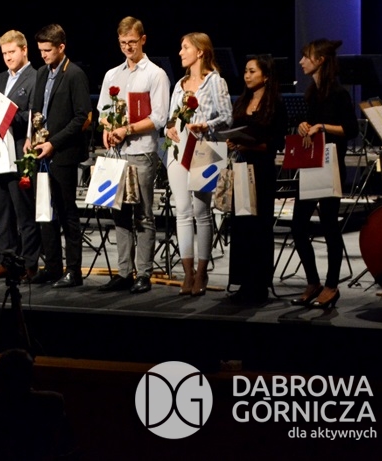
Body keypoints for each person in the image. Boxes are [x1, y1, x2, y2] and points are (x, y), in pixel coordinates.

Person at [95, 17, 170, 294]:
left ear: (143, 40)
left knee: (143, 214)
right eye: (123, 43)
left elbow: (159, 117)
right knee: (119, 212)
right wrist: (107, 129)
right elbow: (103, 111)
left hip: (141, 151)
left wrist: (126, 129)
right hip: (116, 153)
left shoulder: (155, 74)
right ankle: (124, 272)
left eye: (132, 42)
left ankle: (144, 273)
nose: (128, 47)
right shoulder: (112, 74)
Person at [290, 39, 358, 310]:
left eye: (306, 57)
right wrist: (304, 126)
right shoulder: (311, 93)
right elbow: (310, 125)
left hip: (331, 166)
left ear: (320, 61)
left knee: (330, 226)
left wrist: (322, 126)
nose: (301, 61)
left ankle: (331, 285)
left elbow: (351, 130)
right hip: (311, 163)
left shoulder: (338, 93)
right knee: (297, 226)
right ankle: (313, 282)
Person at [164, 32, 232, 296]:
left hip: (205, 149)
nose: (180, 52)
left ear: (200, 51)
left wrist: (206, 124)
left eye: (185, 48)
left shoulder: (215, 82)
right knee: (182, 210)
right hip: (179, 150)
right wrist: (169, 128)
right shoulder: (180, 84)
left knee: (202, 212)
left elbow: (227, 117)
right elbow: (170, 118)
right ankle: (188, 273)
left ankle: (202, 271)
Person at [25, 24, 91, 288]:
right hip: (40, 152)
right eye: (40, 50)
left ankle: (73, 271)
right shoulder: (42, 73)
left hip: (63, 154)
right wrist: (30, 137)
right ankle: (52, 267)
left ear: (61, 47)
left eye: (47, 50)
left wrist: (53, 143)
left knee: (66, 213)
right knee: (45, 210)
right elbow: (35, 110)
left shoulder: (74, 74)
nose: (43, 55)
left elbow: (81, 117)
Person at [225, 55, 287, 304]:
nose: (247, 76)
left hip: (261, 170)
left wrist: (250, 145)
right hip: (241, 168)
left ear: (266, 76)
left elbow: (277, 142)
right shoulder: (242, 101)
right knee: (241, 226)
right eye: (245, 71)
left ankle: (259, 285)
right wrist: (232, 141)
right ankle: (243, 283)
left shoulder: (275, 105)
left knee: (259, 227)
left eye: (252, 71)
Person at [0, 30, 39, 280]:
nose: (8, 57)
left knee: (23, 211)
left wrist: (10, 115)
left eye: (12, 52)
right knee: (1, 210)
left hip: (19, 151)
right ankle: (6, 260)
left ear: (24, 50)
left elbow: (35, 116)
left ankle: (30, 264)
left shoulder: (36, 78)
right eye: (4, 53)